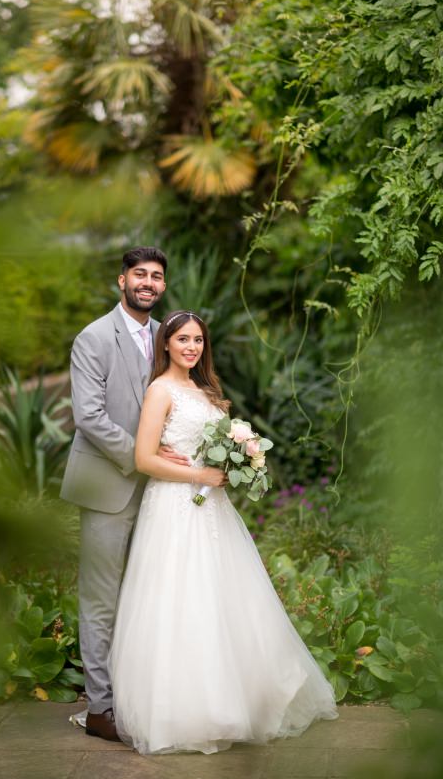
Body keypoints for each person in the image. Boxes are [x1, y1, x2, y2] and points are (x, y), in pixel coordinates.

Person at [108, 310, 338, 754]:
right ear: (167, 346)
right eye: (182, 340)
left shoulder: (205, 390)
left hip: (213, 506)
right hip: (176, 506)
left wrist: (236, 463)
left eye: (197, 340)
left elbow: (214, 448)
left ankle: (243, 698)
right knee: (181, 598)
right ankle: (189, 711)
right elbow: (143, 458)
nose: (191, 347)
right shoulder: (160, 390)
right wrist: (200, 475)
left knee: (223, 596)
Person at [59, 247, 189, 740]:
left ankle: (140, 697)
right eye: (140, 274)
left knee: (147, 595)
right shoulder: (93, 338)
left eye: (156, 276)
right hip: (107, 487)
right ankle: (100, 709)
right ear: (122, 281)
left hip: (161, 493)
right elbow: (88, 417)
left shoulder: (166, 337)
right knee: (101, 600)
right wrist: (140, 456)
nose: (148, 283)